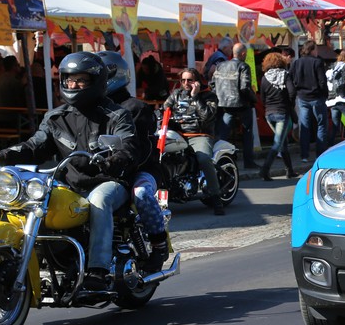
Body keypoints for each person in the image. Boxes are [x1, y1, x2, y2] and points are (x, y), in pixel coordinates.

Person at [0, 52, 139, 291]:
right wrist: (1, 156)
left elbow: (128, 147)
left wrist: (107, 161)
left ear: (97, 80)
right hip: (70, 182)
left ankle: (98, 270)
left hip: (108, 180)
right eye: (69, 80)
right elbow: (34, 146)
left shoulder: (116, 115)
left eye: (81, 80)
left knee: (98, 201)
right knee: (27, 201)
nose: (74, 85)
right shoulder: (56, 117)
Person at [96, 51, 170, 272]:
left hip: (139, 170)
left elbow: (140, 151)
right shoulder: (92, 108)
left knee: (141, 194)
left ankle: (159, 245)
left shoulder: (135, 108)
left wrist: (117, 163)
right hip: (102, 171)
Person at [163, 67, 225, 215]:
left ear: (196, 81)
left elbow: (207, 116)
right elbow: (165, 108)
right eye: (183, 80)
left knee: (203, 159)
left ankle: (216, 197)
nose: (185, 83)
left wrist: (195, 97)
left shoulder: (209, 96)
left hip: (200, 135)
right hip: (178, 134)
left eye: (189, 80)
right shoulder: (176, 94)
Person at [212, 42, 258, 169]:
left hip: (224, 104)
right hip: (242, 104)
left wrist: (220, 98)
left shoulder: (220, 65)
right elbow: (245, 88)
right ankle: (249, 162)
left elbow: (212, 84)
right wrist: (254, 99)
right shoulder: (243, 66)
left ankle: (218, 160)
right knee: (247, 133)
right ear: (243, 53)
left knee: (223, 134)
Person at [287, 39, 330, 163]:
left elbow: (290, 77)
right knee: (321, 125)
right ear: (312, 50)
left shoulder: (296, 63)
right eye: (316, 49)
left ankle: (304, 155)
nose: (317, 52)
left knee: (304, 126)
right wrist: (325, 94)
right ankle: (320, 154)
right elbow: (322, 81)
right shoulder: (317, 62)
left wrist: (296, 89)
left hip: (303, 97)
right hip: (317, 97)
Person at [258, 51, 298, 181]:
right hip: (282, 112)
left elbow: (262, 98)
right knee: (277, 143)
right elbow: (292, 92)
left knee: (282, 142)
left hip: (269, 114)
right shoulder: (285, 75)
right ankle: (265, 170)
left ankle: (290, 170)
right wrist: (289, 104)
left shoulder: (264, 78)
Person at [326, 48, 345, 143]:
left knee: (335, 123)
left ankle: (330, 143)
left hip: (332, 100)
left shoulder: (332, 67)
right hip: (343, 99)